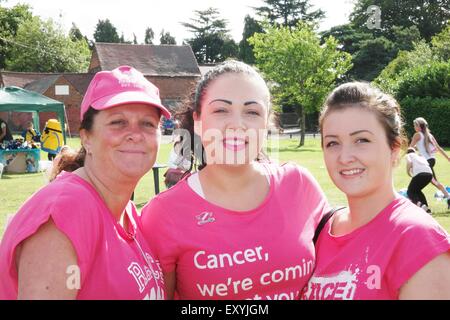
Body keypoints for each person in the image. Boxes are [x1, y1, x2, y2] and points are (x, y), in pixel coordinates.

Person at [140, 60, 329, 300]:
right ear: (197, 121)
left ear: (267, 123)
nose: (237, 125)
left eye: (252, 112)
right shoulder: (163, 213)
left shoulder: (298, 184)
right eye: (221, 110)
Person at [0, 65, 171, 299]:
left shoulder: (126, 210)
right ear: (86, 138)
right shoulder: (66, 211)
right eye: (118, 122)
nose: (136, 134)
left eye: (148, 123)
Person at [301, 82, 450, 300]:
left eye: (362, 140)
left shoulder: (418, 240)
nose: (345, 157)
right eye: (333, 143)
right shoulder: (321, 230)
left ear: (394, 149)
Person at [410, 117, 450, 208]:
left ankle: (418, 201)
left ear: (419, 126)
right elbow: (439, 148)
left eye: (415, 125)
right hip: (431, 160)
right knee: (434, 181)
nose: (414, 127)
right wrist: (448, 158)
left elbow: (410, 148)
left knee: (418, 184)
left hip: (426, 162)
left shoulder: (417, 135)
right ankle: (448, 196)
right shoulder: (429, 135)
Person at [405, 147, 433, 213]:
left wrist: (408, 172)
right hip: (429, 174)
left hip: (420, 174)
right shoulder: (420, 156)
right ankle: (426, 209)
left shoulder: (409, 155)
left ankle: (421, 205)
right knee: (417, 190)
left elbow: (409, 162)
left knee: (410, 191)